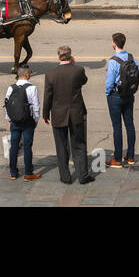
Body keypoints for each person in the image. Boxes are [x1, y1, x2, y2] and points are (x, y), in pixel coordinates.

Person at [43, 45, 92, 185]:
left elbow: (47, 97)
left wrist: (45, 115)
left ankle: (65, 176)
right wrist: (74, 65)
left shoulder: (51, 74)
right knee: (79, 145)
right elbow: (84, 81)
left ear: (58, 57)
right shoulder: (78, 70)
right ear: (70, 56)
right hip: (76, 113)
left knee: (61, 145)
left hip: (58, 114)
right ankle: (83, 175)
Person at [105, 32, 138, 167]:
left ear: (114, 43)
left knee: (117, 127)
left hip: (116, 96)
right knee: (129, 124)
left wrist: (108, 93)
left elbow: (109, 82)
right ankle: (130, 156)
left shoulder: (113, 61)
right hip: (129, 95)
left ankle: (117, 159)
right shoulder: (132, 57)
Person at [4, 68, 41, 181]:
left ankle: (13, 173)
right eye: (30, 73)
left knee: (14, 146)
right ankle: (28, 173)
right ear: (27, 74)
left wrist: (9, 119)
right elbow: (36, 106)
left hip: (14, 121)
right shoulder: (32, 88)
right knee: (27, 146)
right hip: (27, 121)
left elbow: (7, 104)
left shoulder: (11, 87)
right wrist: (36, 120)